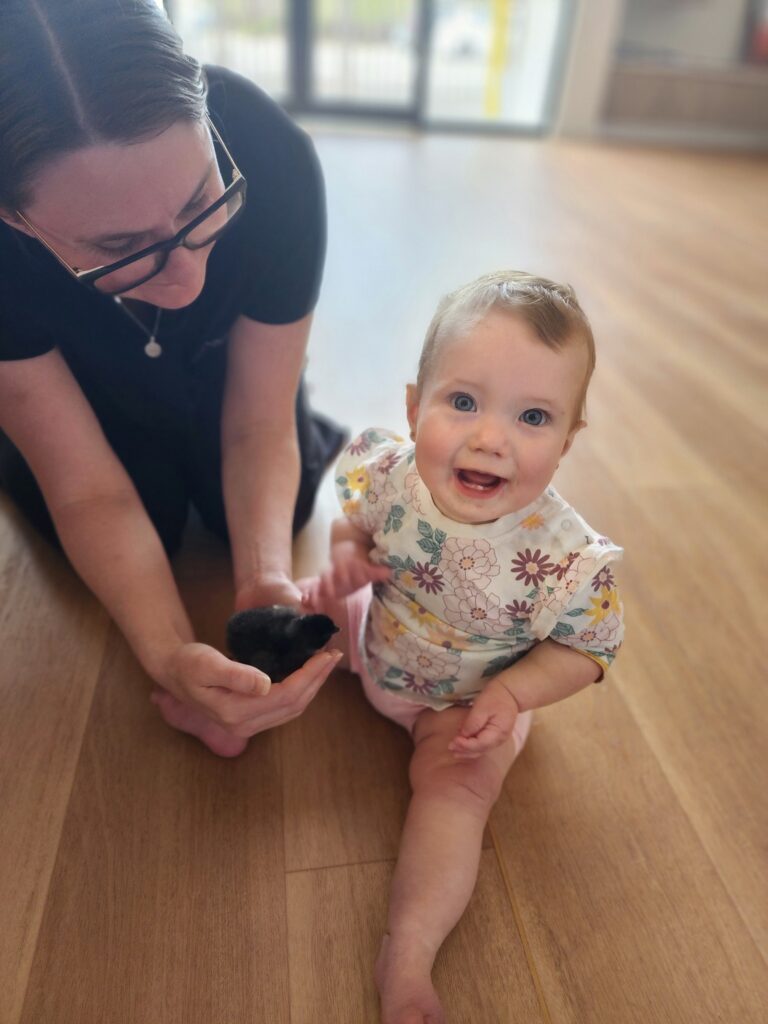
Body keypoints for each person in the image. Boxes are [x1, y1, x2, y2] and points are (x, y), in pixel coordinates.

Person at [0, 0, 345, 757]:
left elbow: (259, 423)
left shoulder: (272, 153)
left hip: (227, 366)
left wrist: (267, 584)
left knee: (266, 511)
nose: (187, 280)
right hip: (66, 386)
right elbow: (86, 491)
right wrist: (168, 656)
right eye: (119, 247)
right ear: (16, 219)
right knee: (143, 516)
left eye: (200, 203)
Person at [301, 271, 625, 1023]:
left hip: (466, 704)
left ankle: (408, 952)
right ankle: (226, 698)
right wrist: (346, 558)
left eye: (533, 416)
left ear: (567, 440)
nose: (490, 438)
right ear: (415, 407)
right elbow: (352, 521)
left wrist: (513, 694)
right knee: (297, 607)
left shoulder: (565, 561)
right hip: (376, 633)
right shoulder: (391, 474)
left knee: (455, 793)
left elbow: (589, 650)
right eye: (464, 402)